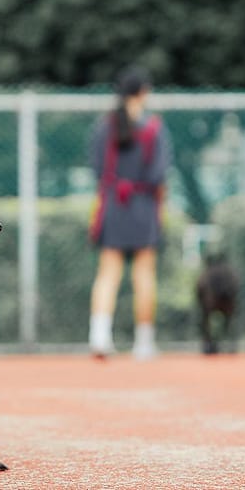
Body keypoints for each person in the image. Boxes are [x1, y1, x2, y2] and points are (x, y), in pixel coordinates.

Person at [87, 66, 172, 360]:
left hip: (112, 204)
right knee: (144, 275)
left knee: (107, 274)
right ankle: (143, 342)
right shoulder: (154, 129)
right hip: (144, 206)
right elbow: (159, 175)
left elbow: (98, 169)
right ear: (143, 92)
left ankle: (99, 336)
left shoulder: (104, 127)